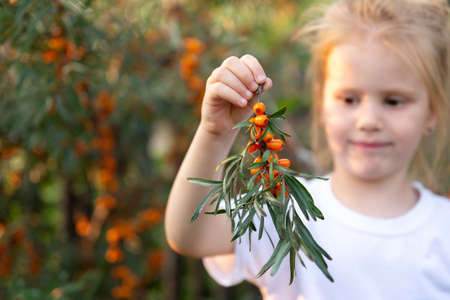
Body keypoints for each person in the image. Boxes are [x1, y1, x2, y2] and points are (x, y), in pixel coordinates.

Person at [165, 0, 450, 299]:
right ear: (322, 103)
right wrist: (215, 132)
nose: (368, 121)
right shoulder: (284, 212)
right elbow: (189, 234)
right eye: (349, 99)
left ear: (431, 110)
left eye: (394, 101)